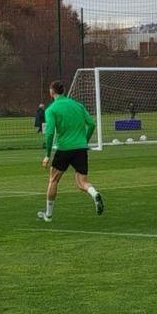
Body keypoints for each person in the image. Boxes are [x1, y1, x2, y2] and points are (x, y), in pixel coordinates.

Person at [38, 80, 104, 222]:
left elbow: (49, 133)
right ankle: (95, 193)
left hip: (64, 148)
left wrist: (47, 155)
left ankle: (48, 215)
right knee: (82, 183)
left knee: (53, 179)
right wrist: (84, 141)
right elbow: (91, 124)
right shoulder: (78, 105)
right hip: (80, 148)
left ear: (52, 92)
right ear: (63, 91)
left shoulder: (52, 109)